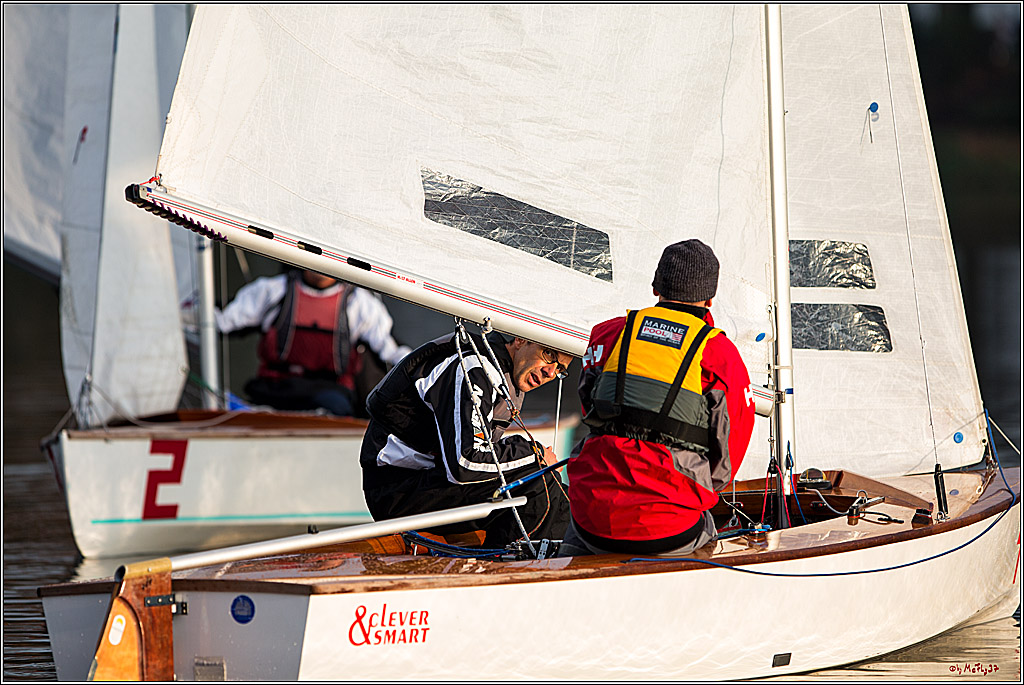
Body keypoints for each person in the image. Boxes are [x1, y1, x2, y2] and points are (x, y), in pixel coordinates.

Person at [559, 239, 755, 557]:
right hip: (667, 528)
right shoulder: (720, 355)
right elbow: (725, 464)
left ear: (655, 287)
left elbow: (591, 410)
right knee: (709, 529)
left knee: (578, 531)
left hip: (591, 518)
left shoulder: (607, 335)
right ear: (710, 298)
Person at [359, 329, 574, 548]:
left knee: (564, 499)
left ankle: (558, 568)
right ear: (520, 339)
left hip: (430, 480)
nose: (550, 372)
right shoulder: (474, 368)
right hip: (397, 490)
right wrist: (535, 455)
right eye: (548, 355)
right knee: (539, 487)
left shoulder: (505, 375)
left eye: (560, 369)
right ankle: (506, 571)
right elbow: (465, 462)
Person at [216, 269, 411, 417]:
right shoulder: (274, 291)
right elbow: (222, 321)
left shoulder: (359, 303)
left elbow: (390, 351)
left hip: (329, 393)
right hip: (275, 388)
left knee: (337, 405)